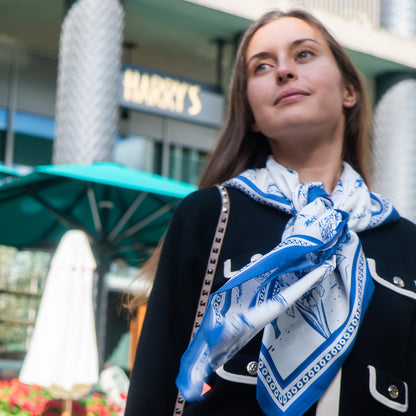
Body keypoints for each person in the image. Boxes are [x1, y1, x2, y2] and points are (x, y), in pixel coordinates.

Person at [125, 8, 416, 416]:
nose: (282, 71)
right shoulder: (210, 216)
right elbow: (155, 391)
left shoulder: (404, 240)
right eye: (261, 66)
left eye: (303, 55)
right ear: (253, 115)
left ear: (350, 90)